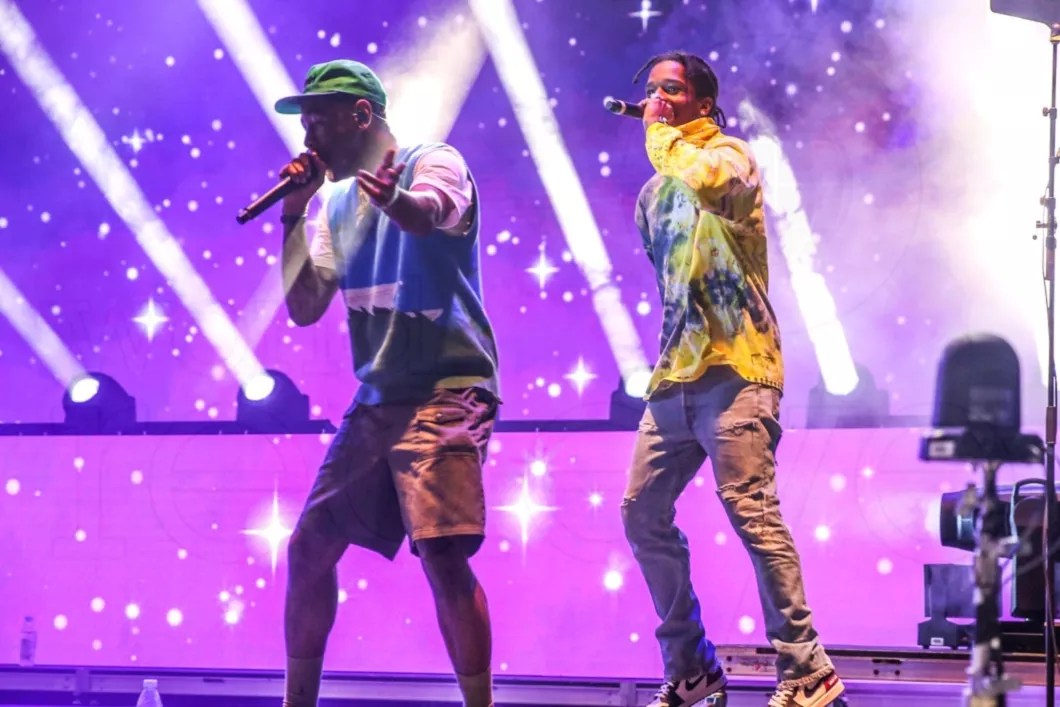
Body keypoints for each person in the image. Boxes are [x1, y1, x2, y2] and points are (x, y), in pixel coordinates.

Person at [619, 51, 846, 707]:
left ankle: (807, 669)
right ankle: (692, 667)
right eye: (652, 89)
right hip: (674, 376)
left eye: (672, 89)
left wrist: (659, 134)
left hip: (738, 368)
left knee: (752, 511)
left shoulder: (731, 157)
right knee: (641, 512)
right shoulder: (652, 196)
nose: (658, 98)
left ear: (702, 101)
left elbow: (705, 180)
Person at [274, 59, 500, 707]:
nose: (307, 136)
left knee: (442, 553)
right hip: (378, 399)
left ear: (361, 115)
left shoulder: (435, 160)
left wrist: (394, 200)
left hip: (447, 386)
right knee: (309, 547)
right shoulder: (336, 203)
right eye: (304, 123)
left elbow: (431, 213)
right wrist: (293, 214)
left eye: (318, 120)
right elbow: (305, 305)